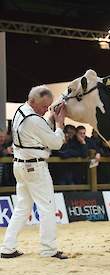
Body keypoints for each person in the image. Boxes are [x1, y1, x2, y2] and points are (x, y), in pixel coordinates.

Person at [1, 85, 68, 259]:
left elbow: (39, 128)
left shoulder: (21, 111)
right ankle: (49, 249)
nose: (46, 110)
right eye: (44, 107)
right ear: (33, 101)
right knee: (47, 207)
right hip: (35, 168)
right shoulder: (34, 119)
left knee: (22, 208)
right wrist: (59, 124)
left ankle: (7, 248)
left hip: (21, 166)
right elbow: (55, 143)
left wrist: (50, 116)